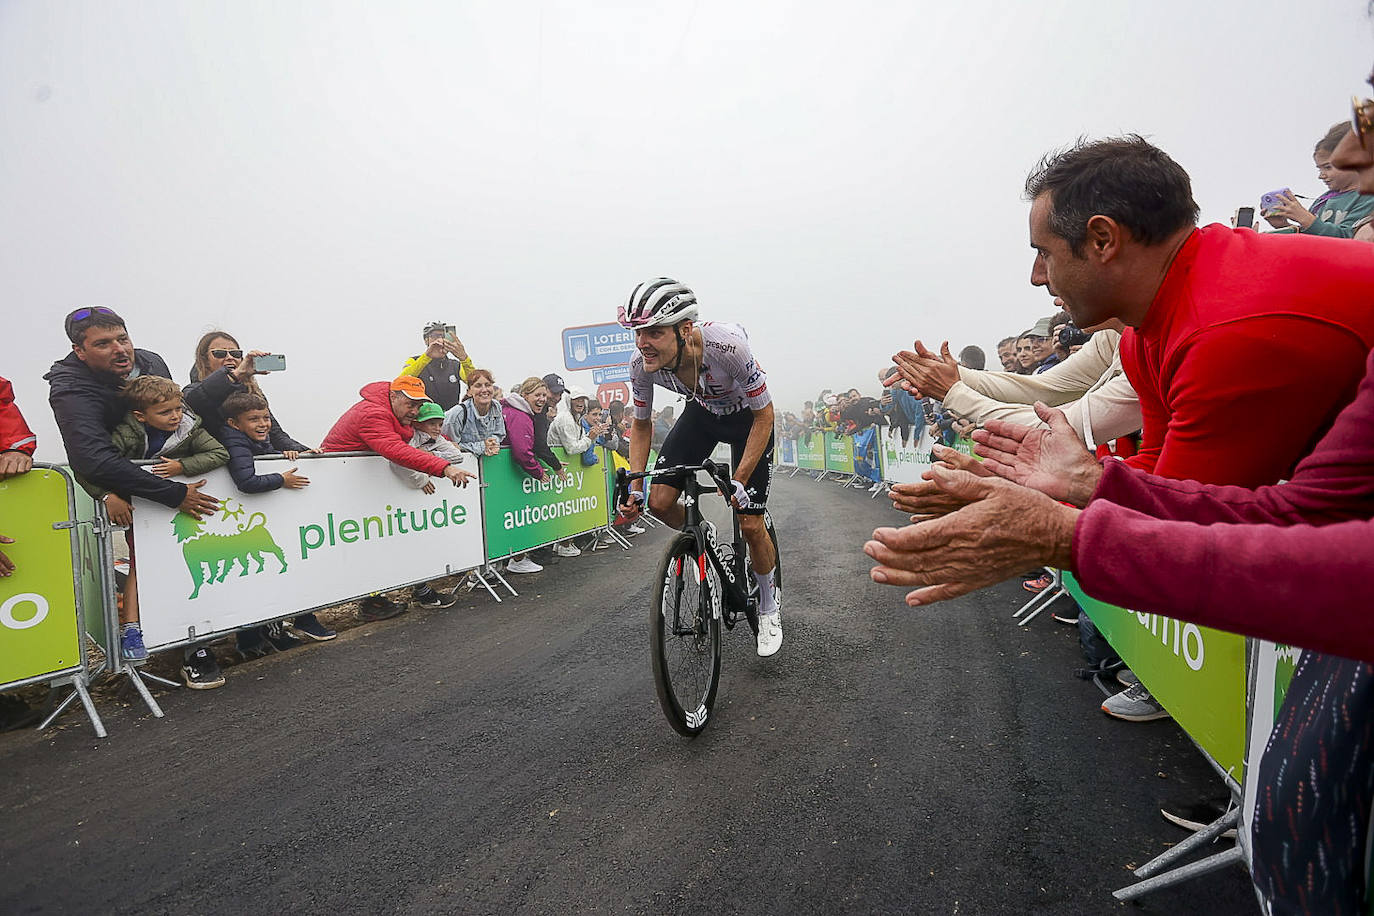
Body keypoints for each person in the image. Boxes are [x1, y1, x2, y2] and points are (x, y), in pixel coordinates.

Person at [46, 307, 225, 687]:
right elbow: (90, 458)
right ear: (79, 350)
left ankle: (196, 647)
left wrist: (184, 470)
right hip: (133, 494)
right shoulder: (69, 387)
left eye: (122, 338)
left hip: (174, 489)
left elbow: (181, 418)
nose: (119, 349)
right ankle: (134, 636)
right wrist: (124, 492)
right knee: (145, 567)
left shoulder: (151, 361)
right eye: (103, 343)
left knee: (186, 565)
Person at [615, 278, 783, 657]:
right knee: (658, 502)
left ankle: (770, 606)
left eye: (654, 332)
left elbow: (765, 415)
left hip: (748, 420)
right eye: (638, 332)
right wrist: (636, 484)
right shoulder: (642, 366)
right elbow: (641, 424)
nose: (643, 342)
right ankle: (702, 535)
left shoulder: (727, 347)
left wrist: (739, 481)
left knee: (750, 520)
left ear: (684, 329)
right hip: (702, 415)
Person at [72, 375, 231, 667]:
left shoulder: (189, 428)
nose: (175, 416)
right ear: (140, 415)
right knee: (139, 565)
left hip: (180, 510)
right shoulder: (124, 434)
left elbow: (220, 452)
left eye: (178, 409)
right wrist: (107, 496)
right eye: (165, 412)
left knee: (182, 565)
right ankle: (131, 630)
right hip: (140, 511)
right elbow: (87, 466)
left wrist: (182, 465)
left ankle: (193, 626)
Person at [320, 376, 475, 617]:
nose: (414, 411)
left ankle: (419, 590)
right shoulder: (372, 413)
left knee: (397, 537)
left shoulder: (393, 412)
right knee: (366, 542)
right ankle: (371, 602)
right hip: (344, 487)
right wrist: (443, 468)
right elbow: (395, 450)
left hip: (369, 484)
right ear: (393, 396)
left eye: (418, 406)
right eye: (410, 404)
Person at [216, 390, 337, 651]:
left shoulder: (257, 438)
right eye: (254, 419)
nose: (262, 424)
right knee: (254, 579)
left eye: (266, 417)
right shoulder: (234, 442)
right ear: (234, 424)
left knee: (276, 571)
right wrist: (282, 478)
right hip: (243, 528)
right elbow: (246, 481)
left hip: (265, 522)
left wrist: (296, 451)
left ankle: (274, 631)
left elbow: (268, 450)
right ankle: (249, 642)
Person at [182, 331, 313, 454]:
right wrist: (235, 375)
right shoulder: (192, 391)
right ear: (204, 360)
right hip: (220, 466)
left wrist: (304, 453)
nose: (229, 358)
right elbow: (195, 403)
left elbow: (275, 434)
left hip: (258, 461)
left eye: (236, 354)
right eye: (220, 354)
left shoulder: (252, 392)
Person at [498, 377, 566, 574]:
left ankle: (514, 559)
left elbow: (531, 445)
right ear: (524, 395)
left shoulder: (523, 412)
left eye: (544, 395)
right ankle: (515, 559)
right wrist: (537, 471)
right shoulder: (520, 415)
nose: (542, 399)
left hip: (506, 472)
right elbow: (522, 450)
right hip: (503, 474)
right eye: (537, 395)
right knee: (510, 515)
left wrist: (544, 462)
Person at [1262, 122, 1374, 238]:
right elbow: (1309, 241)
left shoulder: (1368, 198)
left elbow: (1348, 237)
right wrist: (1283, 226)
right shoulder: (1322, 201)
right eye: (1319, 169)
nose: (1321, 176)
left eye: (1327, 167)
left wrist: (1305, 218)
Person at [399, 321, 475, 410]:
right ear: (426, 340)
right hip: (424, 418)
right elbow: (402, 381)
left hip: (450, 418)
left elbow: (474, 382)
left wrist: (464, 358)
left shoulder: (455, 365)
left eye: (444, 336)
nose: (440, 340)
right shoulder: (415, 361)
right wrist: (427, 356)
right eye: (435, 336)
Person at [442, 368, 505, 458]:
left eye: (488, 385)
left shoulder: (497, 407)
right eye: (478, 386)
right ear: (469, 392)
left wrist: (492, 443)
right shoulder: (457, 414)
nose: (484, 390)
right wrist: (483, 446)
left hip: (484, 463)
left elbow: (499, 434)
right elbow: (450, 446)